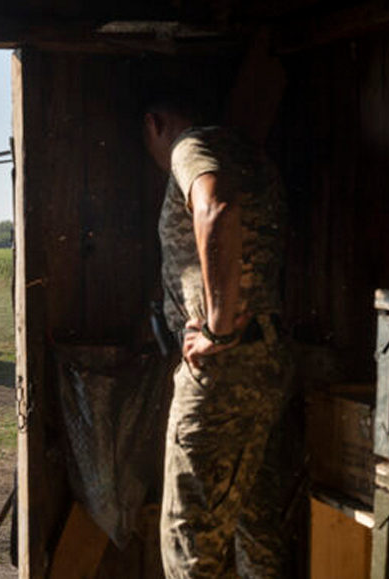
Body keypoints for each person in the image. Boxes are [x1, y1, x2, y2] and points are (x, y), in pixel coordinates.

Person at [143, 96, 290, 578]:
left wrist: (216, 328)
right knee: (258, 529)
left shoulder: (191, 147)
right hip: (266, 363)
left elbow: (216, 207)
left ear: (155, 123)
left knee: (189, 547)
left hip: (223, 369)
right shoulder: (251, 154)